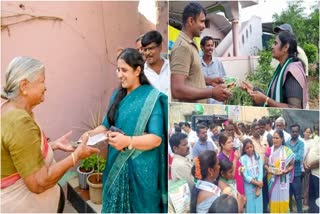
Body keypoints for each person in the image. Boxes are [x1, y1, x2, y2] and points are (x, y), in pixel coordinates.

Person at [1, 56, 99, 213]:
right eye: (42, 81)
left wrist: (52, 145)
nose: (45, 87)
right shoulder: (19, 122)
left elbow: (20, 152)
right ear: (24, 85)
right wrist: (76, 156)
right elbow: (38, 183)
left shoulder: (9, 108)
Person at [84, 48, 168, 213]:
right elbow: (106, 125)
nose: (119, 74)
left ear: (137, 70)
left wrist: (128, 141)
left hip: (142, 172)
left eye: (124, 70)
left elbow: (156, 138)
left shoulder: (151, 98)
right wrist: (89, 134)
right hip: (116, 166)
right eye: (118, 69)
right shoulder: (117, 95)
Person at [170, 2, 231, 103]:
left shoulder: (190, 44)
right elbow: (177, 89)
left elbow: (190, 75)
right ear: (190, 21)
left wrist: (209, 81)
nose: (203, 26)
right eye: (201, 21)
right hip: (189, 113)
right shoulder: (183, 47)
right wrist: (211, 92)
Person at [242, 31, 308, 109]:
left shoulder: (293, 71)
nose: (272, 47)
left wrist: (266, 100)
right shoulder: (282, 68)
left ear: (285, 47)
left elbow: (294, 109)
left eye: (276, 43)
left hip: (287, 121)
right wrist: (253, 89)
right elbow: (273, 97)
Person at [265, 130, 295, 213]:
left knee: (283, 197)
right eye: (273, 138)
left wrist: (286, 170)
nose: (275, 140)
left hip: (283, 179)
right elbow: (265, 164)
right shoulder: (269, 150)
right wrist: (268, 169)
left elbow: (292, 165)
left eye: (277, 138)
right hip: (272, 178)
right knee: (273, 198)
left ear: (282, 139)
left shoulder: (287, 151)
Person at [141, 30, 169, 95]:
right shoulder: (142, 73)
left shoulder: (171, 67)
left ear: (160, 47)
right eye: (145, 50)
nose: (147, 53)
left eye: (151, 48)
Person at [200, 36, 226, 105]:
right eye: (208, 45)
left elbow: (224, 81)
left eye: (212, 46)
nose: (210, 48)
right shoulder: (197, 63)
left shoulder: (218, 62)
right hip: (202, 103)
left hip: (217, 103)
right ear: (202, 47)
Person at [240, 138, 263, 213]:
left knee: (259, 205)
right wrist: (257, 183)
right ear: (244, 150)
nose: (249, 149)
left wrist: (259, 185)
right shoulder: (242, 159)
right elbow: (245, 175)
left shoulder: (257, 156)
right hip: (249, 186)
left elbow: (260, 170)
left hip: (259, 185)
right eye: (247, 148)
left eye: (251, 147)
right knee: (250, 206)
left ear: (253, 147)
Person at [285, 124, 304, 213]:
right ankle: (290, 211)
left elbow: (299, 157)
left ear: (299, 132)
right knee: (288, 195)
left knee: (298, 196)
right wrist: (292, 157)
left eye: (296, 131)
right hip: (287, 174)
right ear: (290, 132)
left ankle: (299, 211)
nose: (294, 133)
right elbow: (284, 156)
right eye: (293, 131)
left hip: (296, 174)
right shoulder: (286, 143)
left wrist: (289, 157)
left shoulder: (301, 143)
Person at [304, 126, 319, 213]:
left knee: (318, 198)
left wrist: (310, 165)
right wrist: (305, 162)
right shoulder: (316, 139)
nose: (317, 131)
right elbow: (309, 152)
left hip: (318, 174)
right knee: (311, 197)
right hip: (312, 173)